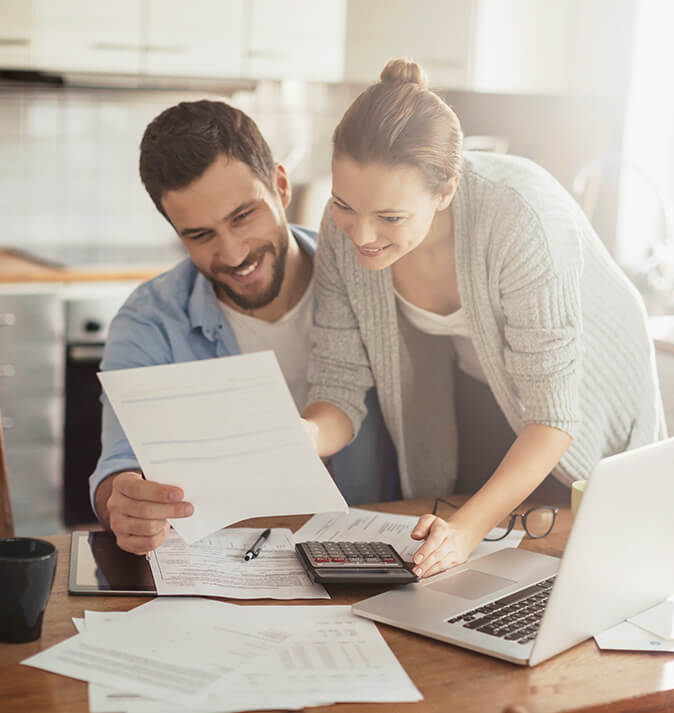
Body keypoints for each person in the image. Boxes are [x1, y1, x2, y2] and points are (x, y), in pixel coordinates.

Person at [303, 58, 666, 579]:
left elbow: (553, 417)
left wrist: (468, 530)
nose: (360, 235)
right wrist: (302, 436)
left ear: (446, 190)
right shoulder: (345, 230)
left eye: (390, 217)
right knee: (473, 559)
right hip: (481, 378)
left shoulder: (521, 216)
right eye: (343, 205)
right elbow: (337, 386)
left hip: (583, 391)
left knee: (580, 551)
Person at [89, 100, 397, 555]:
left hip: (376, 555)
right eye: (200, 235)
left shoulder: (368, 280)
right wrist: (126, 502)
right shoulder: (149, 320)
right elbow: (119, 466)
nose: (233, 254)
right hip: (228, 565)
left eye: (242, 217)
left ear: (281, 184)